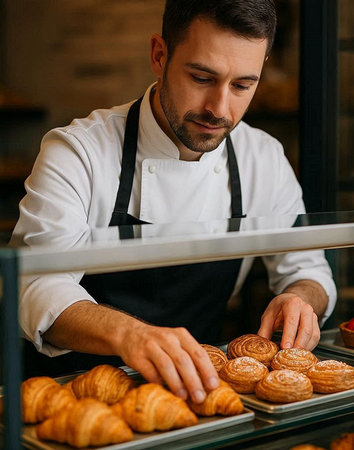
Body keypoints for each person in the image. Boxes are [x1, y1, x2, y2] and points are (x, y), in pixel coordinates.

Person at [12, 0, 336, 404]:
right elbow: (33, 284)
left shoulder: (262, 157)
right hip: (78, 396)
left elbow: (308, 269)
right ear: (159, 55)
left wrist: (300, 297)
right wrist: (132, 335)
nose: (219, 109)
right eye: (202, 77)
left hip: (200, 395)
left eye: (242, 86)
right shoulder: (78, 151)